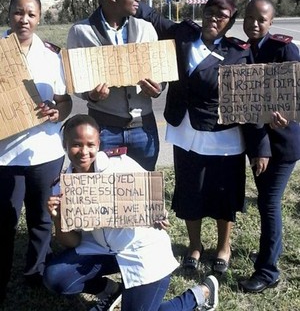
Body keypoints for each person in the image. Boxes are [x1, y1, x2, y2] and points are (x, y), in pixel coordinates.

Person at [135, 0, 271, 274]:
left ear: (230, 22)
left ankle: (224, 246)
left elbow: (250, 103)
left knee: (224, 196)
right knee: (189, 193)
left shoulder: (239, 52)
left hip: (223, 136)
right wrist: (132, 0)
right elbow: (154, 18)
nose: (213, 18)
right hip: (186, 132)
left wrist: (260, 146)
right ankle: (194, 246)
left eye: (221, 16)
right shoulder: (184, 33)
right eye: (209, 12)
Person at [43, 114, 219, 311]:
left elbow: (151, 200)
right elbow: (72, 242)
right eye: (76, 144)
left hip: (140, 250)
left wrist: (157, 212)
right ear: (65, 144)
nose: (84, 151)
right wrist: (57, 218)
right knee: (55, 276)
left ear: (99, 143)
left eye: (90, 144)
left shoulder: (120, 165)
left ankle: (199, 295)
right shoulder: (61, 187)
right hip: (100, 247)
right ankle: (112, 290)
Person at [0, 0, 72, 303]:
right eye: (18, 12)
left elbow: (65, 101)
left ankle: (35, 272)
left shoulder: (52, 56)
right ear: (9, 14)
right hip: (5, 155)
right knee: (5, 218)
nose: (24, 19)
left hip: (46, 153)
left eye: (30, 14)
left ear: (39, 18)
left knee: (42, 218)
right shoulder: (0, 52)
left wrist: (60, 112)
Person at [67, 0, 164, 171]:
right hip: (103, 130)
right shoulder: (81, 32)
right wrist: (90, 95)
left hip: (143, 129)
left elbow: (160, 72)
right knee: (103, 193)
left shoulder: (146, 28)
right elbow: (75, 79)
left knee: (143, 192)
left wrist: (158, 87)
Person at [238, 0, 300, 293]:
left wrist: (286, 115)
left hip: (282, 145)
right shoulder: (244, 51)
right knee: (266, 202)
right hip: (259, 145)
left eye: (260, 19)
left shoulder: (283, 48)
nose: (254, 23)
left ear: (271, 22)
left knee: (268, 204)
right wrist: (257, 148)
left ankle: (268, 271)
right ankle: (269, 255)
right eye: (249, 17)